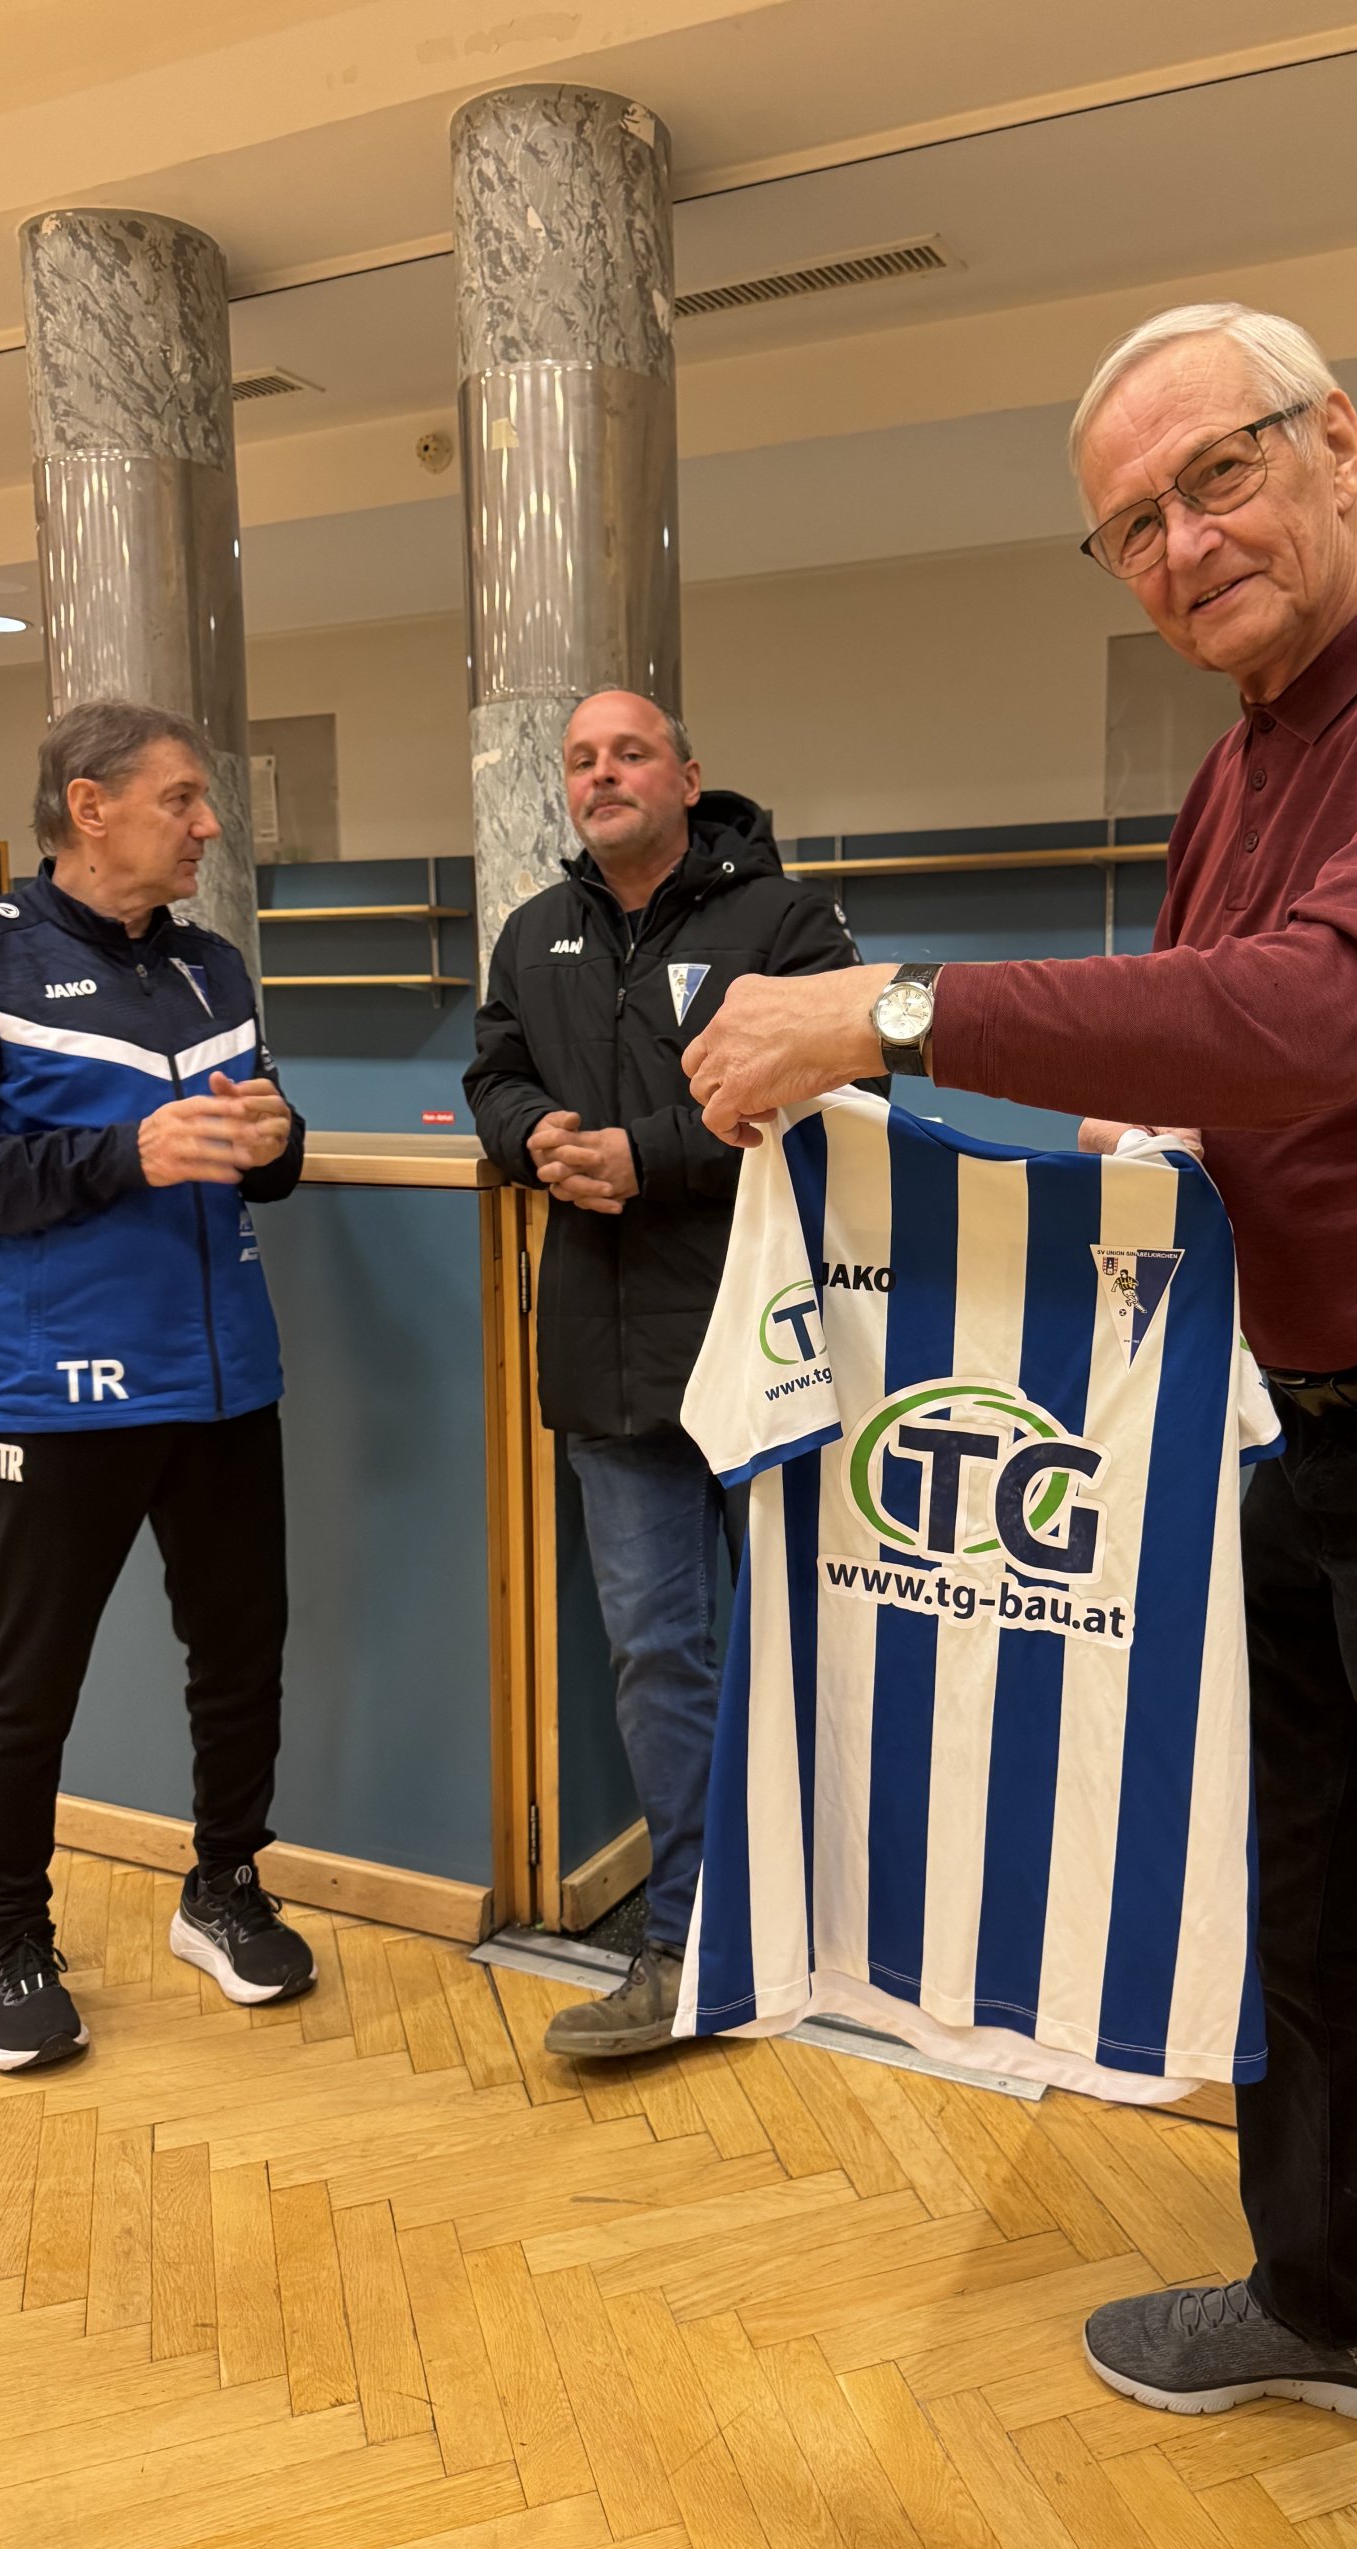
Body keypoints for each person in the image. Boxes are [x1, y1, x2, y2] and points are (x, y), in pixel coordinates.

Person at [681, 304, 1357, 2549]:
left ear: (1336, 439)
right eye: (1133, 527)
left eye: (1217, 477)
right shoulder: (1244, 772)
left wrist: (886, 1014)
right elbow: (1214, 1071)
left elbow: (1326, 1008)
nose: (1182, 544)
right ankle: (1322, 2295)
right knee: (1317, 1925)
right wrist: (1073, 1161)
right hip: (1310, 1418)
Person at [0, 699, 316, 2071]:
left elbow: (264, 1159)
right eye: (183, 799)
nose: (208, 826)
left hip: (228, 1380)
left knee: (240, 1657)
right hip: (60, 1391)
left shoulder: (212, 968)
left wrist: (278, 1138)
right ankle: (6, 1939)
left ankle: (225, 1886)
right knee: (30, 1684)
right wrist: (128, 1156)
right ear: (90, 806)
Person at [465, 689, 866, 2057]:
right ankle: (692, 1944)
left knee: (821, 1639)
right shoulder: (537, 932)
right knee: (658, 1655)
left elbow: (850, 1095)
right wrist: (535, 1138)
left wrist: (654, 1156)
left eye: (629, 753)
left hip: (777, 1347)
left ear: (690, 777)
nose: (602, 774)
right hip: (610, 1359)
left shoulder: (786, 923)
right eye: (581, 759)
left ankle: (849, 1926)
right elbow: (492, 1073)